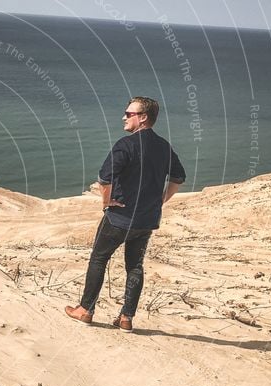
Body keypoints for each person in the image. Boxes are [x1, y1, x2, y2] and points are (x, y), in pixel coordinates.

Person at [65, 97, 186, 332]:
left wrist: (106, 202)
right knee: (135, 266)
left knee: (99, 258)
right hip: (147, 220)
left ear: (143, 118)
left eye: (129, 114)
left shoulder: (126, 145)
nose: (124, 117)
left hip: (119, 218)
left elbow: (104, 178)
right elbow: (178, 177)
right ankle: (126, 318)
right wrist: (160, 201)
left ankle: (85, 310)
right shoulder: (163, 146)